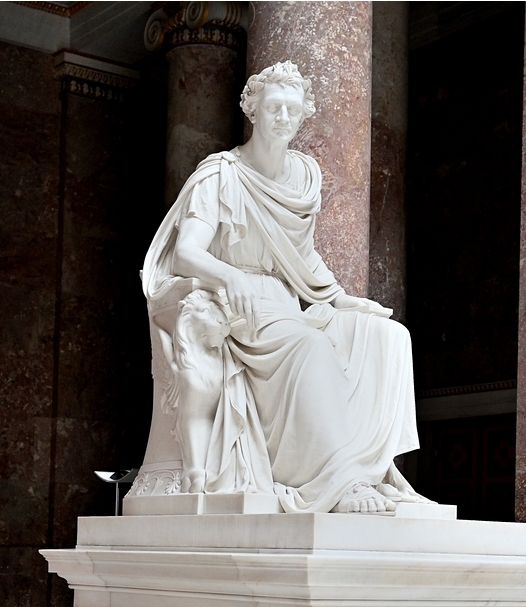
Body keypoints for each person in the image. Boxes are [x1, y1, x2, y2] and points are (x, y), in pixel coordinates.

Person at [141, 60, 426, 513]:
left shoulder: (304, 176)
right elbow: (185, 254)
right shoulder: (220, 175)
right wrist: (229, 275)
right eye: (274, 107)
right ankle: (341, 484)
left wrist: (341, 299)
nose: (283, 118)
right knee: (310, 346)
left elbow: (303, 256)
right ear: (253, 110)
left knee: (388, 336)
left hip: (288, 302)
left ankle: (371, 470)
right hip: (238, 304)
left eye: (292, 110)